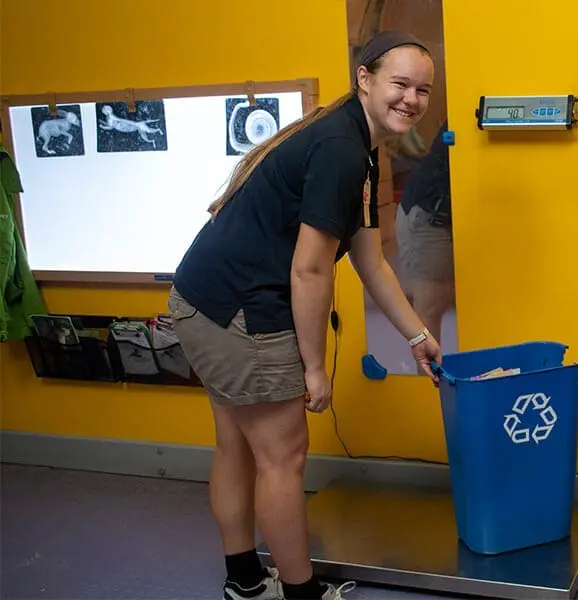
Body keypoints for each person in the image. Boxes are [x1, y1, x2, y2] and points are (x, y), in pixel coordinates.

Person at [166, 31, 441, 600]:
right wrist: (313, 367)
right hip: (239, 309)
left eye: (423, 89)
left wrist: (417, 333)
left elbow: (369, 259)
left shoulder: (357, 146)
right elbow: (311, 271)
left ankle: (244, 582)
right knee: (282, 457)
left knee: (239, 447)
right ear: (364, 79)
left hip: (205, 299)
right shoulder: (342, 149)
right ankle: (299, 593)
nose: (412, 99)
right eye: (400, 84)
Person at [395, 119, 454, 346]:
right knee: (431, 305)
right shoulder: (467, 103)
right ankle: (428, 381)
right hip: (430, 212)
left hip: (469, 211)